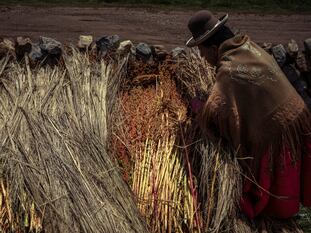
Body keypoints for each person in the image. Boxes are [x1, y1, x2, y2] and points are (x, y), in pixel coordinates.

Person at [186, 10, 311, 219]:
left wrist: (198, 107)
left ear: (215, 48)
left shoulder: (228, 70)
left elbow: (218, 114)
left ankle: (276, 214)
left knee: (273, 206)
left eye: (202, 50)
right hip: (296, 113)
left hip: (278, 131)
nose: (201, 56)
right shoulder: (247, 47)